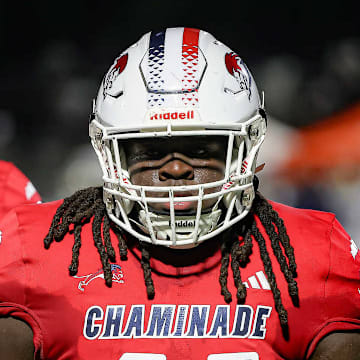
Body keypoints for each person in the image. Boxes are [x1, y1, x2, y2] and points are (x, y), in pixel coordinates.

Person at [0, 27, 359, 360]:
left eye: (201, 148)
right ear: (110, 153)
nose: (175, 169)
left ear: (248, 148)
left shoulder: (311, 254)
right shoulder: (38, 252)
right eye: (151, 150)